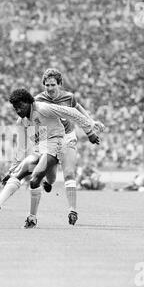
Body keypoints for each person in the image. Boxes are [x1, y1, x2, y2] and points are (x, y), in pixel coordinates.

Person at [0, 88, 100, 228]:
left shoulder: (43, 108)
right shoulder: (21, 122)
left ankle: (32, 218)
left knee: (35, 178)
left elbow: (73, 112)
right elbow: (21, 148)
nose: (18, 110)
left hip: (57, 143)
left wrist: (89, 131)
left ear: (29, 102)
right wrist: (11, 170)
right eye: (15, 108)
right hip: (41, 148)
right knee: (20, 172)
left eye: (20, 106)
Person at [33, 68, 105, 225]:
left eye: (53, 84)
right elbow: (34, 119)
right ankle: (49, 182)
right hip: (50, 140)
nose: (50, 88)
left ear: (59, 84)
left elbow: (77, 108)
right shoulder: (38, 100)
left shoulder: (68, 97)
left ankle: (72, 210)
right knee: (51, 177)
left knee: (69, 173)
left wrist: (91, 122)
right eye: (47, 85)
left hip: (67, 137)